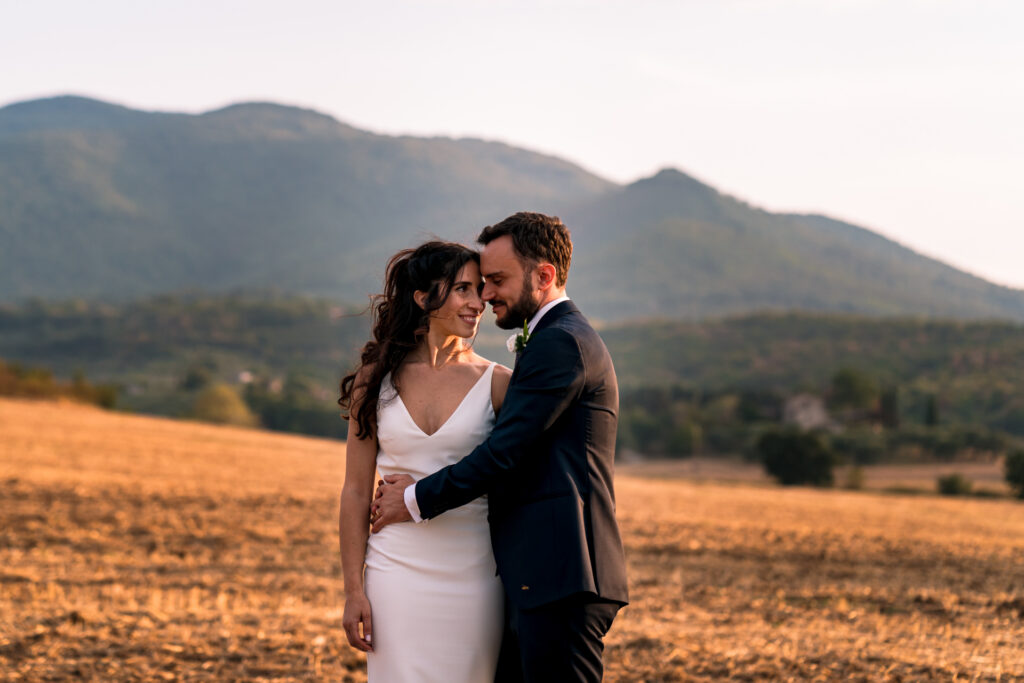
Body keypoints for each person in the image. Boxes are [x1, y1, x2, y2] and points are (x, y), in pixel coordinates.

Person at [371, 212, 629, 682]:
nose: (487, 294)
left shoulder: (562, 344)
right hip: (539, 574)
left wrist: (412, 499)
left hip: (563, 573)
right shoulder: (553, 340)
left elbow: (503, 453)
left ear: (544, 276)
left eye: (496, 280)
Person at [337, 241, 512, 682]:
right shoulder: (375, 380)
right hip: (394, 574)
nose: (479, 302)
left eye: (482, 289)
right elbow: (356, 491)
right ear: (423, 298)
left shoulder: (500, 384)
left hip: (475, 576)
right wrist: (353, 590)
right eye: (464, 289)